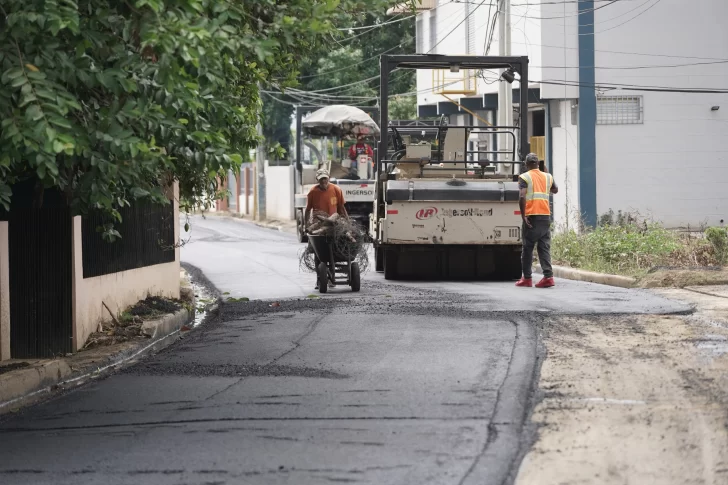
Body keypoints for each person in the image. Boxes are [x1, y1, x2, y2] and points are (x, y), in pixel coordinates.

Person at [516, 153, 559, 288]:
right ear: (538, 163)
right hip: (545, 216)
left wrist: (523, 215)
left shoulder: (524, 177)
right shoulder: (547, 176)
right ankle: (548, 277)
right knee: (544, 247)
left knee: (527, 248)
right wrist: (545, 171)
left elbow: (522, 196)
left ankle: (527, 278)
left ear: (526, 164)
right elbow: (555, 190)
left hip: (532, 216)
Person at [305, 169, 348, 288]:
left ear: (328, 177)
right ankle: (319, 279)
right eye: (321, 179)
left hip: (334, 224)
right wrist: (306, 225)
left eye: (325, 178)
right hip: (318, 224)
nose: (323, 181)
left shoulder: (336, 189)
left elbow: (341, 208)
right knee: (318, 253)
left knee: (334, 250)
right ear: (317, 180)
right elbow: (308, 210)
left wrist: (347, 223)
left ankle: (331, 276)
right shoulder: (313, 192)